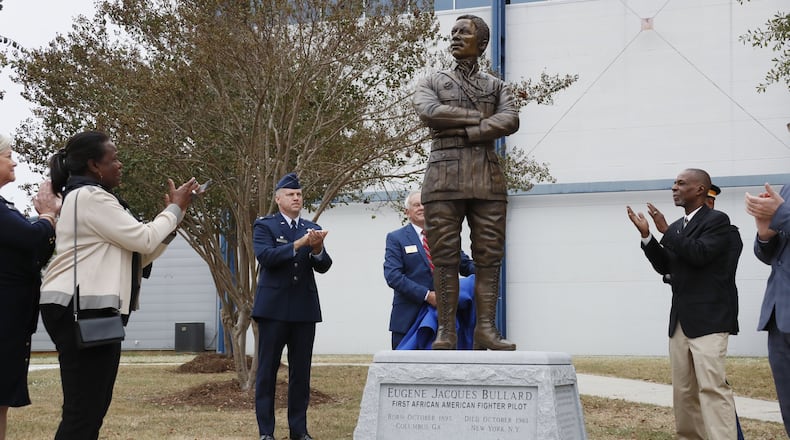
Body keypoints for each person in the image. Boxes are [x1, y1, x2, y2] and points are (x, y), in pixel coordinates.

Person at [39, 130, 199, 440]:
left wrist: (173, 219)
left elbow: (139, 252)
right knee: (84, 410)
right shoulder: (91, 197)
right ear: (94, 166)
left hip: (81, 309)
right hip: (81, 310)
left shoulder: (86, 197)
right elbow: (144, 237)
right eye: (114, 159)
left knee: (90, 408)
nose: (120, 164)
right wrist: (174, 209)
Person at [412, 14, 519, 351]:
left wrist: (466, 129)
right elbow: (429, 111)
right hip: (443, 176)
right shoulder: (432, 81)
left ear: (482, 43)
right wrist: (482, 119)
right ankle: (446, 330)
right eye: (453, 32)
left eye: (464, 32)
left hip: (486, 177)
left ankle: (485, 329)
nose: (456, 37)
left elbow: (511, 119)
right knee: (444, 256)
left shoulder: (496, 86)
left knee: (489, 255)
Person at [627, 168, 740, 439]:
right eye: (674, 183)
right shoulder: (677, 227)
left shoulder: (718, 221)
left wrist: (665, 230)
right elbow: (666, 266)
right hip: (680, 322)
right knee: (684, 391)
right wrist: (648, 238)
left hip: (710, 321)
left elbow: (700, 255)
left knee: (712, 388)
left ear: (700, 189)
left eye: (681, 183)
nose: (674, 188)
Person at [252, 172, 331, 440]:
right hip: (273, 310)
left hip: (303, 310)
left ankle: (300, 431)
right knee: (267, 373)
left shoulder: (310, 226)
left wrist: (318, 248)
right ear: (278, 199)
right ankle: (266, 432)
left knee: (301, 375)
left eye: (299, 194)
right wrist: (301, 244)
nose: (296, 198)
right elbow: (267, 257)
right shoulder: (265, 226)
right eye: (290, 194)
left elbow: (324, 266)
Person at [0, 134, 60, 440]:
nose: (15, 161)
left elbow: (35, 252)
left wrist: (46, 222)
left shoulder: (5, 208)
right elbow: (30, 239)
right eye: (8, 155)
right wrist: (48, 215)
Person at [383, 190, 475, 349]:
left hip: (445, 320)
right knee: (404, 369)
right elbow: (393, 276)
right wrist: (427, 295)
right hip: (409, 317)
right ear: (408, 212)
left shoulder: (446, 237)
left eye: (425, 204)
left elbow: (466, 266)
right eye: (416, 205)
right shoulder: (396, 238)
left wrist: (488, 266)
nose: (421, 208)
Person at [745, 181, 790, 435]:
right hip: (779, 314)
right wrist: (764, 233)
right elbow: (771, 256)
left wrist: (781, 215)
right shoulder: (786, 189)